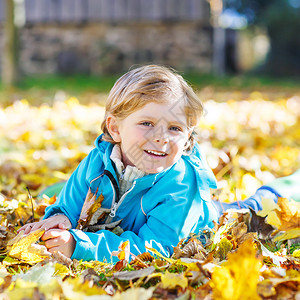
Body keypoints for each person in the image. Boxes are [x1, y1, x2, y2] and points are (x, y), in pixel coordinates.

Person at [19, 65, 300, 262]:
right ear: (115, 129)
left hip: (219, 221)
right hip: (136, 225)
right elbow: (69, 205)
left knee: (266, 207)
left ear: (188, 135)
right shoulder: (99, 160)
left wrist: (79, 247)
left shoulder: (179, 183)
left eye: (175, 129)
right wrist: (58, 219)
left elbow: (155, 249)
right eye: (146, 123)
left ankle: (291, 183)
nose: (161, 138)